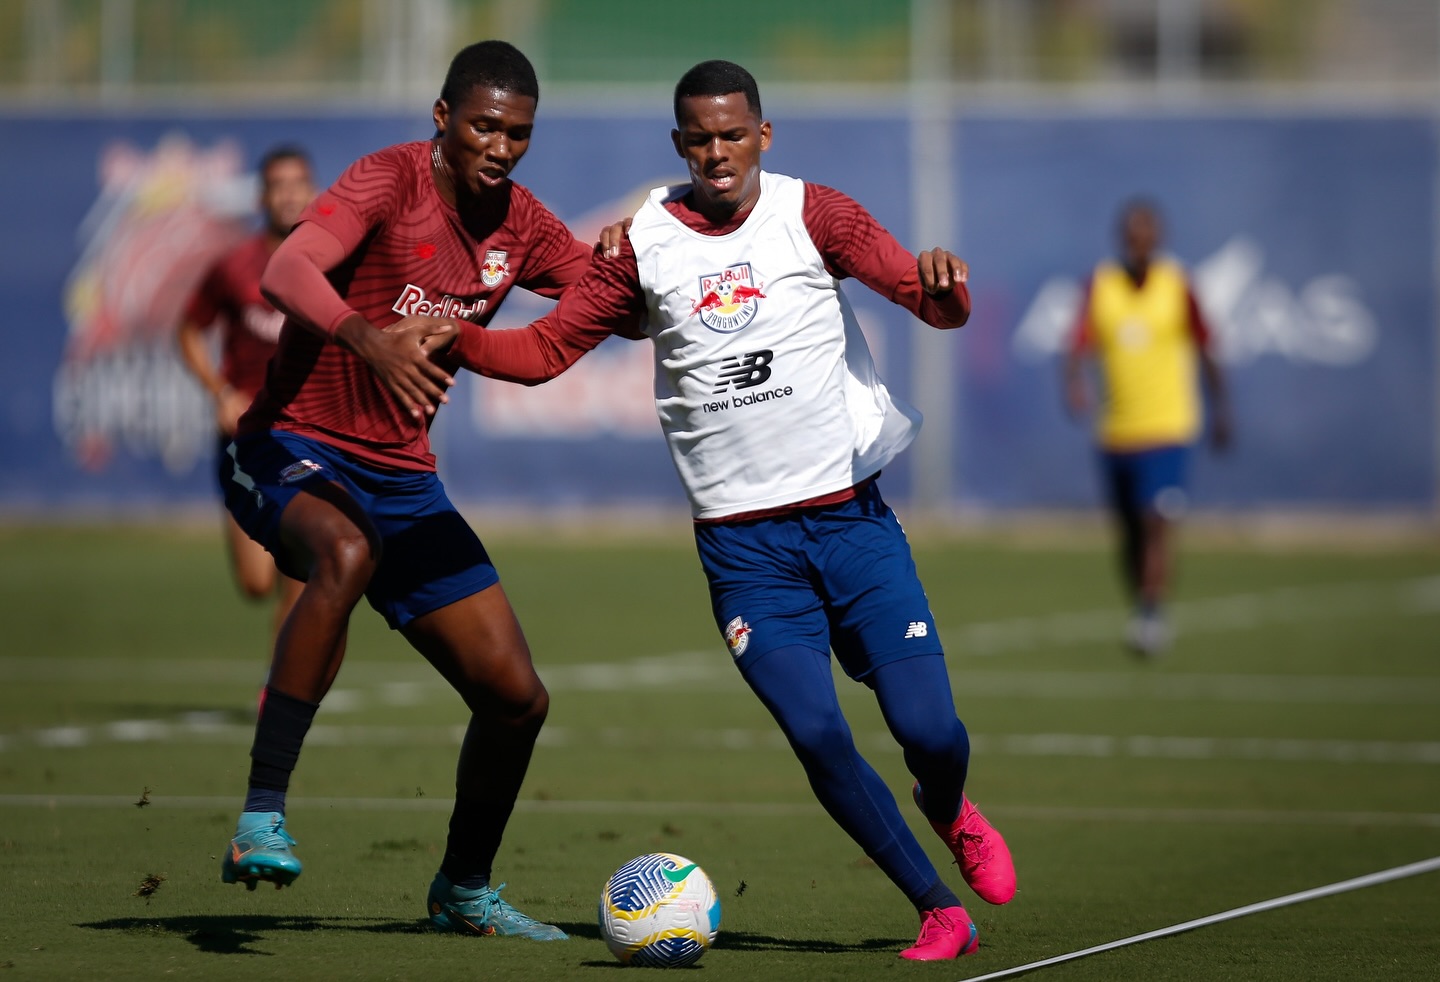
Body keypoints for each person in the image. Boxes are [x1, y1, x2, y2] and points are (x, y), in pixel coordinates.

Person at [423, 59, 1016, 962]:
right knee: (817, 733)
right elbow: (547, 352)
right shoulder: (641, 244)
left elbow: (928, 302)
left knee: (930, 732)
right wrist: (456, 339)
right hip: (744, 551)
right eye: (698, 138)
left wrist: (947, 284)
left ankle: (948, 806)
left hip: (850, 522)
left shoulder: (818, 214)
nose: (717, 153)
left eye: (732, 135)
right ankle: (938, 909)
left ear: (763, 136)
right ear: (678, 145)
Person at [218, 40, 626, 941]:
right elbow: (286, 270)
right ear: (443, 120)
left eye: (518, 133)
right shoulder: (386, 182)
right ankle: (260, 817)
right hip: (286, 447)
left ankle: (464, 889)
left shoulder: (521, 223)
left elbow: (610, 303)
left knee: (519, 698)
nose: (502, 146)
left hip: (403, 479)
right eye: (484, 125)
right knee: (345, 553)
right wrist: (368, 338)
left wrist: (634, 261)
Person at [1062, 199, 1231, 657]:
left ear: (1158, 239)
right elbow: (1076, 343)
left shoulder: (1178, 285)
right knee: (1130, 533)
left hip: (1168, 427)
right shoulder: (1102, 284)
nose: (1140, 245)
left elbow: (1207, 348)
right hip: (1117, 431)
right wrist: (1074, 384)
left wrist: (1221, 410)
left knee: (1157, 520)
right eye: (1132, 236)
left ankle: (1152, 614)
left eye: (1147, 236)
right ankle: (1143, 601)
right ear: (1123, 239)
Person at [178, 146, 314, 639]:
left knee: (308, 563)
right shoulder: (235, 266)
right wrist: (219, 392)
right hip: (248, 437)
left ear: (313, 192)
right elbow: (189, 330)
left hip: (309, 436)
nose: (288, 194)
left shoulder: (331, 262)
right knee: (257, 583)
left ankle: (279, 690)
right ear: (261, 196)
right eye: (277, 185)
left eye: (297, 183)